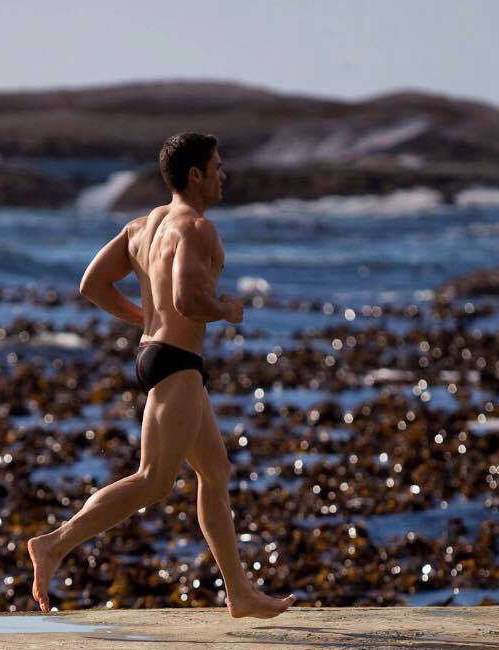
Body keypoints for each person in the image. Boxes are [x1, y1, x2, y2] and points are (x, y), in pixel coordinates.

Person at [27, 132, 297, 619]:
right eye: (216, 166)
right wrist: (228, 310)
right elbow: (187, 302)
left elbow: (93, 284)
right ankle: (54, 544)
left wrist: (143, 321)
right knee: (152, 480)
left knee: (214, 472)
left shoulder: (142, 225)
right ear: (195, 175)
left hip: (160, 353)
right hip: (176, 362)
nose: (223, 175)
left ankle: (239, 594)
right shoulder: (196, 228)